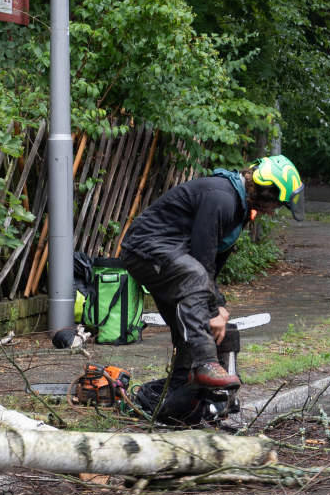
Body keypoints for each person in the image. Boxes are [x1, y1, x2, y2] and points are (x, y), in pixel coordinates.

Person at [120, 155, 305, 405]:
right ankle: (205, 364)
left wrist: (217, 305)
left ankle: (177, 403)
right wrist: (212, 310)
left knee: (184, 324)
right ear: (267, 192)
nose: (275, 210)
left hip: (171, 256)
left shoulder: (238, 210)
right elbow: (201, 259)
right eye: (278, 204)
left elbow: (211, 268)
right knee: (196, 280)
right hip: (145, 249)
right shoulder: (222, 198)